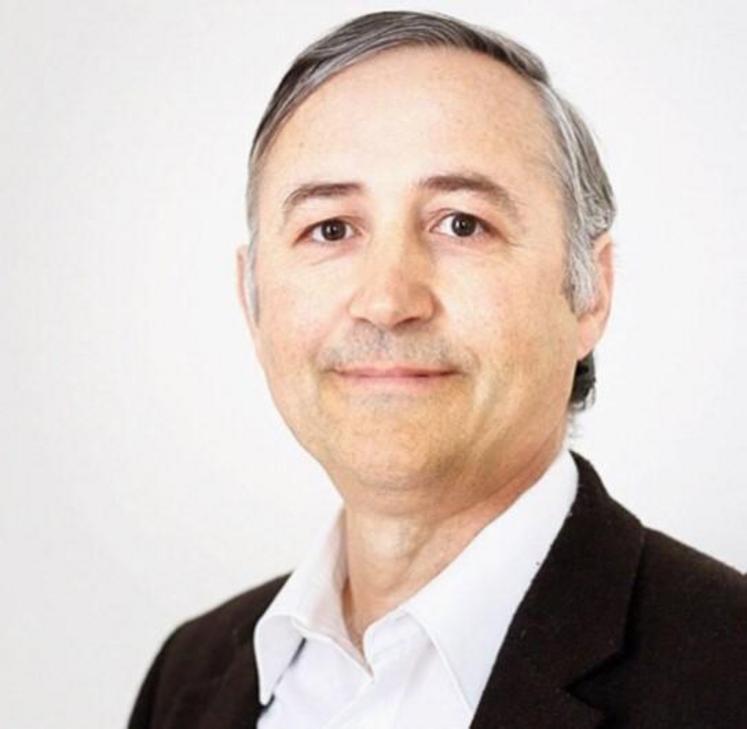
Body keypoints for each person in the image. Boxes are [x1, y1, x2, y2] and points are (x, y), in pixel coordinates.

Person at [128, 10, 746, 729]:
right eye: (331, 229)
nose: (388, 301)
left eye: (462, 223)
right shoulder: (190, 675)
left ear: (590, 293)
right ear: (251, 298)